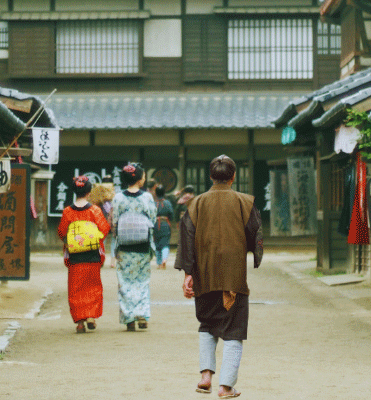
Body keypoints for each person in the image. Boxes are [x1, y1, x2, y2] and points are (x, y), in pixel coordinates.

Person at [175, 155, 263, 399]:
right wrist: (253, 256)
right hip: (233, 278)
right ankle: (225, 387)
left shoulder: (195, 204)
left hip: (204, 275)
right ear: (233, 176)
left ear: (211, 176)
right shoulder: (245, 202)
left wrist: (188, 274)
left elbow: (187, 240)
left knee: (207, 324)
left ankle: (206, 376)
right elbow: (255, 234)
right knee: (234, 330)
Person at [57, 176, 110, 333]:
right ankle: (91, 316)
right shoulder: (95, 210)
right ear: (89, 192)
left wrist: (74, 241)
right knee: (92, 286)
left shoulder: (68, 212)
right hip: (92, 255)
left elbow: (61, 232)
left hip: (75, 256)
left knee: (76, 288)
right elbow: (104, 229)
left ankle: (80, 322)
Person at [111, 163, 157, 331]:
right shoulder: (147, 198)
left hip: (124, 244)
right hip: (142, 244)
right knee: (142, 281)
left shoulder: (118, 198)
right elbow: (152, 218)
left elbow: (114, 222)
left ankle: (128, 318)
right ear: (139, 179)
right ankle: (142, 315)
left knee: (125, 282)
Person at [88, 175, 116, 267]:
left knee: (102, 241)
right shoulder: (113, 194)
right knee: (113, 241)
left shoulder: (97, 194)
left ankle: (101, 260)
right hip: (112, 221)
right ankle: (113, 262)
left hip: (101, 221)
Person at [153, 184, 174, 269]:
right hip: (165, 224)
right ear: (164, 193)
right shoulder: (167, 203)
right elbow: (171, 215)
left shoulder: (154, 203)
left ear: (156, 193)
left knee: (157, 243)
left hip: (156, 225)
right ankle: (164, 260)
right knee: (165, 243)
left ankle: (159, 263)